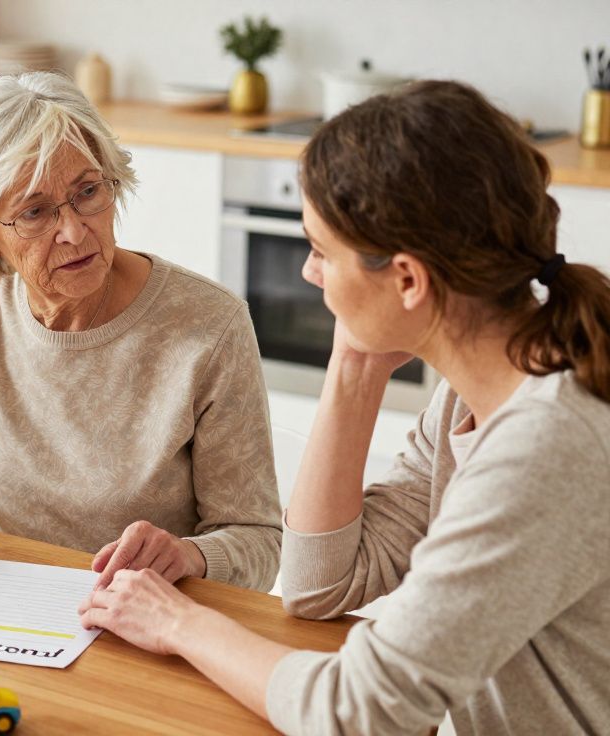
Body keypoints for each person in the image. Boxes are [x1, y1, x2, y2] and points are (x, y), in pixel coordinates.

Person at [79, 80, 610, 734]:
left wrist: (179, 623)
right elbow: (317, 586)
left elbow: (359, 713)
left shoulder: (543, 448)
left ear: (409, 280)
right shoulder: (475, 399)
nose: (308, 273)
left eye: (322, 251)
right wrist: (354, 365)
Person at [0, 71, 281, 593]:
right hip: (13, 605)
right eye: (35, 212)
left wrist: (190, 556)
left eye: (88, 191)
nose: (74, 229)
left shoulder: (208, 326)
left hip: (153, 624)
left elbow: (258, 543)